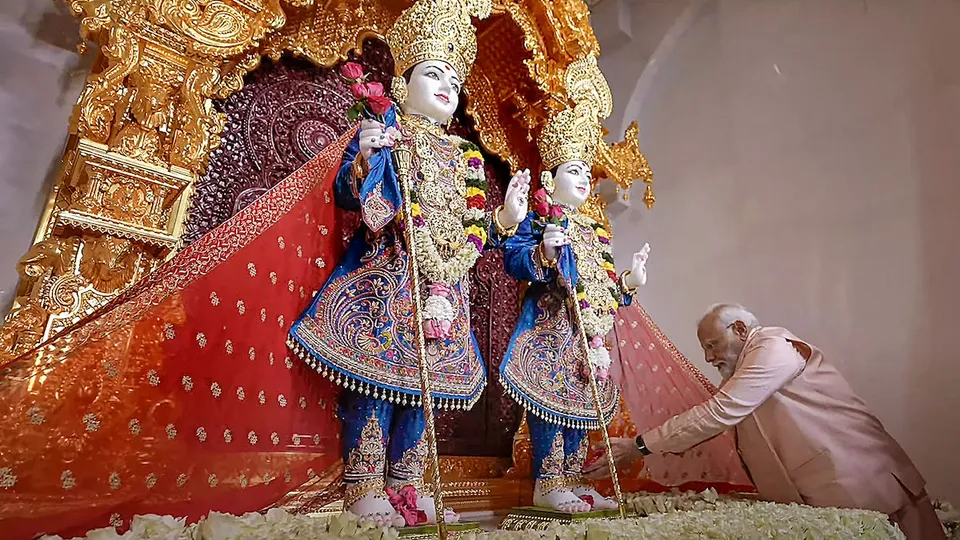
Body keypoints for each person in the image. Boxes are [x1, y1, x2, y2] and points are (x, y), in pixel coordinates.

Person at [287, 0, 530, 527]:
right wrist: (367, 160)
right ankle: (363, 487)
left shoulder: (465, 158)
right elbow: (353, 199)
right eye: (431, 73)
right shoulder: (387, 135)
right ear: (401, 85)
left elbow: (475, 235)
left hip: (446, 289)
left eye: (452, 78)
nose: (445, 85)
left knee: (422, 398)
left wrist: (507, 217)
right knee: (375, 384)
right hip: (388, 278)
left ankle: (407, 486)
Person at [586, 303, 944, 540]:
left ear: (741, 328)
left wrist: (639, 446)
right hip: (834, 492)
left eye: (713, 345)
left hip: (863, 482)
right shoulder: (744, 366)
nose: (709, 357)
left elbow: (719, 412)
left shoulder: (772, 347)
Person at [499, 76, 651, 514]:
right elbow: (514, 257)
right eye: (573, 171)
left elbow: (602, 289)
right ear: (550, 177)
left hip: (590, 337)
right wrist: (544, 250)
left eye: (587, 171)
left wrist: (628, 283)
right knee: (552, 407)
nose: (584, 179)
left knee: (583, 412)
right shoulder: (541, 217)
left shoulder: (595, 230)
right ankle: (547, 484)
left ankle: (572, 480)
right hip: (550, 331)